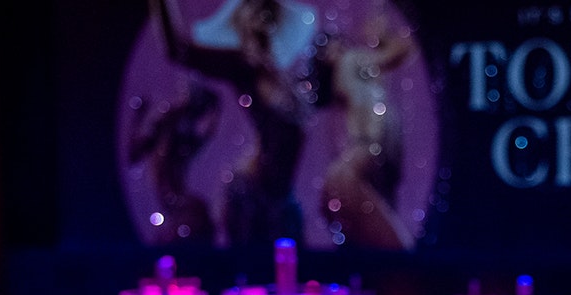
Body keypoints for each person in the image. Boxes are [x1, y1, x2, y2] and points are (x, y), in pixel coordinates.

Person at [150, 0, 317, 247]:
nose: (260, 16)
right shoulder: (242, 64)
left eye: (266, 11)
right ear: (241, 22)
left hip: (282, 202)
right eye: (252, 10)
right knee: (252, 281)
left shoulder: (281, 76)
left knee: (294, 279)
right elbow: (178, 49)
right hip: (252, 200)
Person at [315, 12, 418, 250]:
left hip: (373, 150)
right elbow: (401, 51)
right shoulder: (352, 60)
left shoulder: (351, 73)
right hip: (369, 147)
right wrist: (385, 38)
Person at [127, 77, 221, 246]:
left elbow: (206, 134)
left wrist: (215, 110)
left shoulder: (182, 145)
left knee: (200, 213)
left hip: (177, 198)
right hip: (172, 198)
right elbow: (134, 154)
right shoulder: (163, 133)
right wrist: (138, 118)